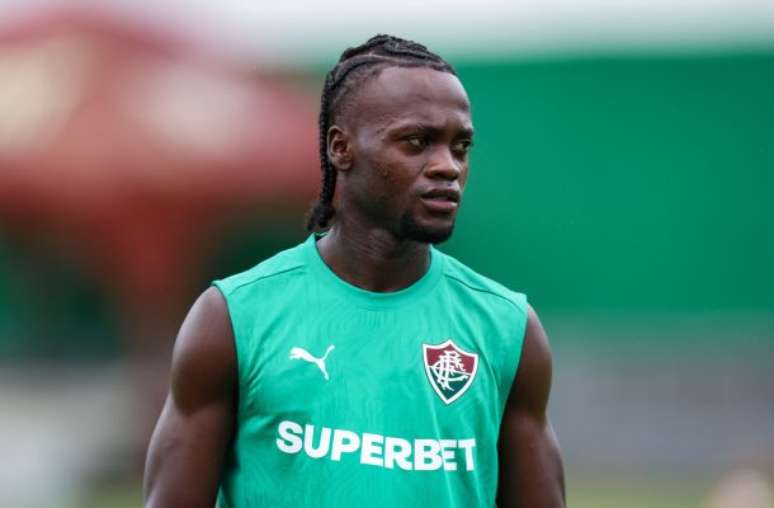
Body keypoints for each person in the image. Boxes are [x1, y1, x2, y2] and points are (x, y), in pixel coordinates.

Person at [143, 34, 565, 507]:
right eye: (417, 142)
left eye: (460, 147)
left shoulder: (507, 330)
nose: (447, 167)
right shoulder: (235, 319)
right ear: (341, 148)